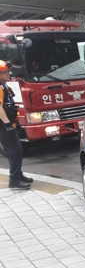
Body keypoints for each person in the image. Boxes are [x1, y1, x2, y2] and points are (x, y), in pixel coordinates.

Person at [0, 60, 32, 189]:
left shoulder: (4, 86)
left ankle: (18, 175)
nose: (8, 74)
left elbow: (9, 106)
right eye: (5, 72)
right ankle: (14, 180)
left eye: (8, 71)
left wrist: (15, 123)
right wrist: (7, 124)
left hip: (9, 124)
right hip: (3, 126)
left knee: (18, 150)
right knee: (14, 152)